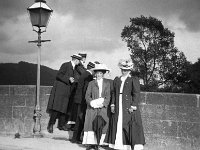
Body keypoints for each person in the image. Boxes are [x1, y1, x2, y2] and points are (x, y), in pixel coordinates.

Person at [105, 59, 145, 150]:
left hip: (128, 105)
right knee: (117, 123)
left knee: (127, 124)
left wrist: (133, 106)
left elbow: (136, 93)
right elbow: (113, 93)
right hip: (118, 104)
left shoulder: (133, 80)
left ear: (129, 70)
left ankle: (128, 145)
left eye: (126, 70)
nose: (124, 71)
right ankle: (118, 145)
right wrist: (112, 104)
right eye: (122, 69)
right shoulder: (117, 80)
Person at [46, 54, 82, 133]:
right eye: (79, 61)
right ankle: (51, 125)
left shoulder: (74, 68)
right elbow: (59, 75)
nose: (79, 62)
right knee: (56, 108)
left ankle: (61, 125)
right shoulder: (66, 65)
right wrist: (68, 78)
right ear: (76, 60)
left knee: (64, 109)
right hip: (61, 90)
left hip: (67, 91)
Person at [82, 64, 111, 150]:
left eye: (101, 73)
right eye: (97, 73)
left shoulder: (107, 83)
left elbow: (108, 96)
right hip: (92, 108)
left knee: (101, 124)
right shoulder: (91, 83)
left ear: (103, 74)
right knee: (90, 124)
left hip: (102, 108)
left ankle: (99, 143)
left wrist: (104, 104)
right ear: (95, 74)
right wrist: (91, 103)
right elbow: (87, 95)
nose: (99, 75)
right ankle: (90, 143)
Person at [70, 61, 99, 144]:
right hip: (82, 100)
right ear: (93, 69)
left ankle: (76, 138)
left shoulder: (85, 74)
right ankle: (76, 138)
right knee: (81, 119)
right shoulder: (88, 76)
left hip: (80, 99)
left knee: (80, 118)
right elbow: (86, 89)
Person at [66, 52, 87, 130]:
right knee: (74, 107)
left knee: (75, 106)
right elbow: (84, 73)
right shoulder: (79, 66)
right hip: (76, 87)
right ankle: (71, 124)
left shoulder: (80, 66)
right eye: (84, 58)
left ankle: (73, 123)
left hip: (77, 87)